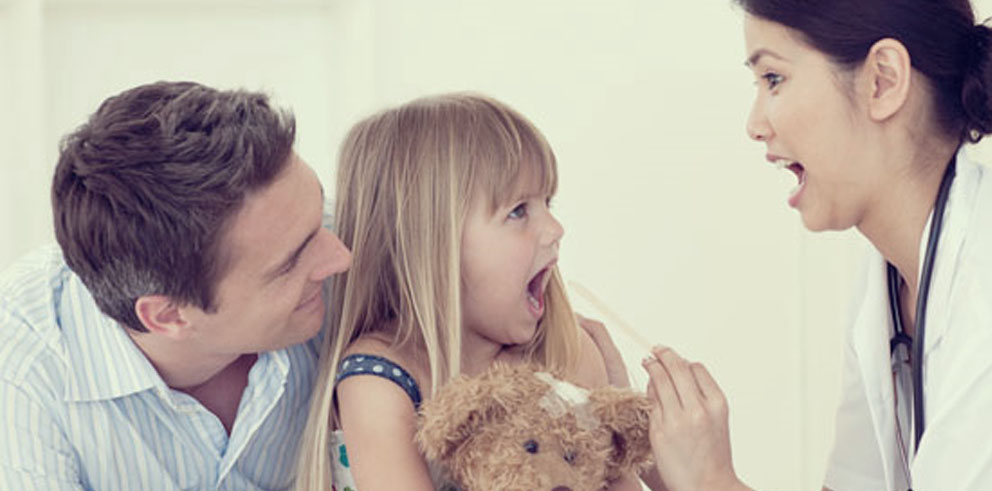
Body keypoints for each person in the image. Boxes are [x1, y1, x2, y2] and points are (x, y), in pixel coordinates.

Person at [638, 0, 992, 490]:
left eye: (774, 79)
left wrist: (710, 480)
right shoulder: (890, 278)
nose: (755, 124)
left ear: (883, 81)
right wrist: (650, 455)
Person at [0, 81, 352, 489]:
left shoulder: (325, 234)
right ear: (168, 316)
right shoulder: (23, 375)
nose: (342, 257)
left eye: (319, 215)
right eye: (290, 264)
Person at [295, 93, 638, 490]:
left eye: (548, 203)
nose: (554, 229)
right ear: (432, 244)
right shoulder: (379, 380)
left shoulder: (567, 355)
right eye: (518, 211)